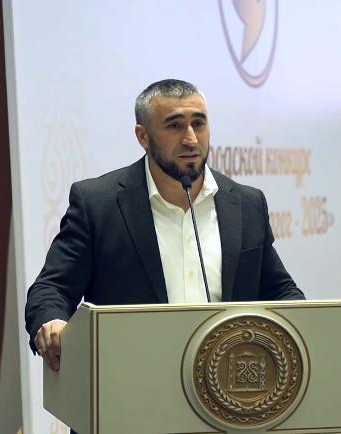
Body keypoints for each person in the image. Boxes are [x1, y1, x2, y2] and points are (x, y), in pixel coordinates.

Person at [26, 79, 305, 372]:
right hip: (131, 379)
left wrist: (307, 326)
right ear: (143, 136)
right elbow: (52, 288)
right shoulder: (98, 204)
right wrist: (52, 322)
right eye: (175, 126)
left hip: (228, 382)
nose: (191, 139)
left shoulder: (247, 204)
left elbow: (280, 290)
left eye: (199, 123)